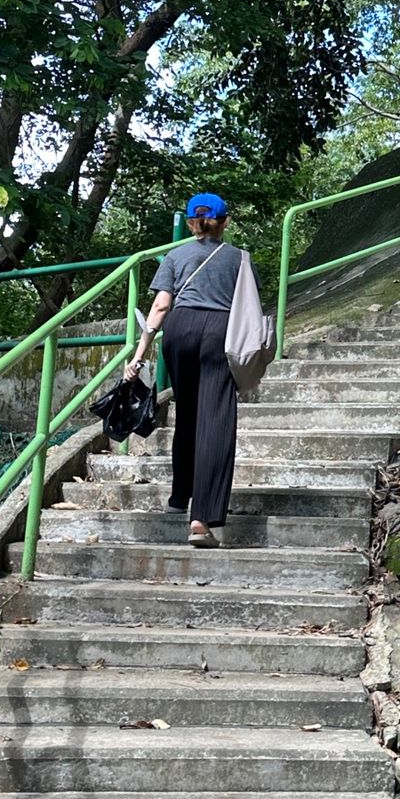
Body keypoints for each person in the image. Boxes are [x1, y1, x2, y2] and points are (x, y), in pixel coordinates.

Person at [125, 193, 243, 545]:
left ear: (191, 223)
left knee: (188, 413)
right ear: (225, 222)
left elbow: (161, 307)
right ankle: (202, 520)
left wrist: (139, 354)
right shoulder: (239, 259)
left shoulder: (175, 256)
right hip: (220, 331)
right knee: (216, 421)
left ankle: (179, 497)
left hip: (180, 330)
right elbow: (248, 309)